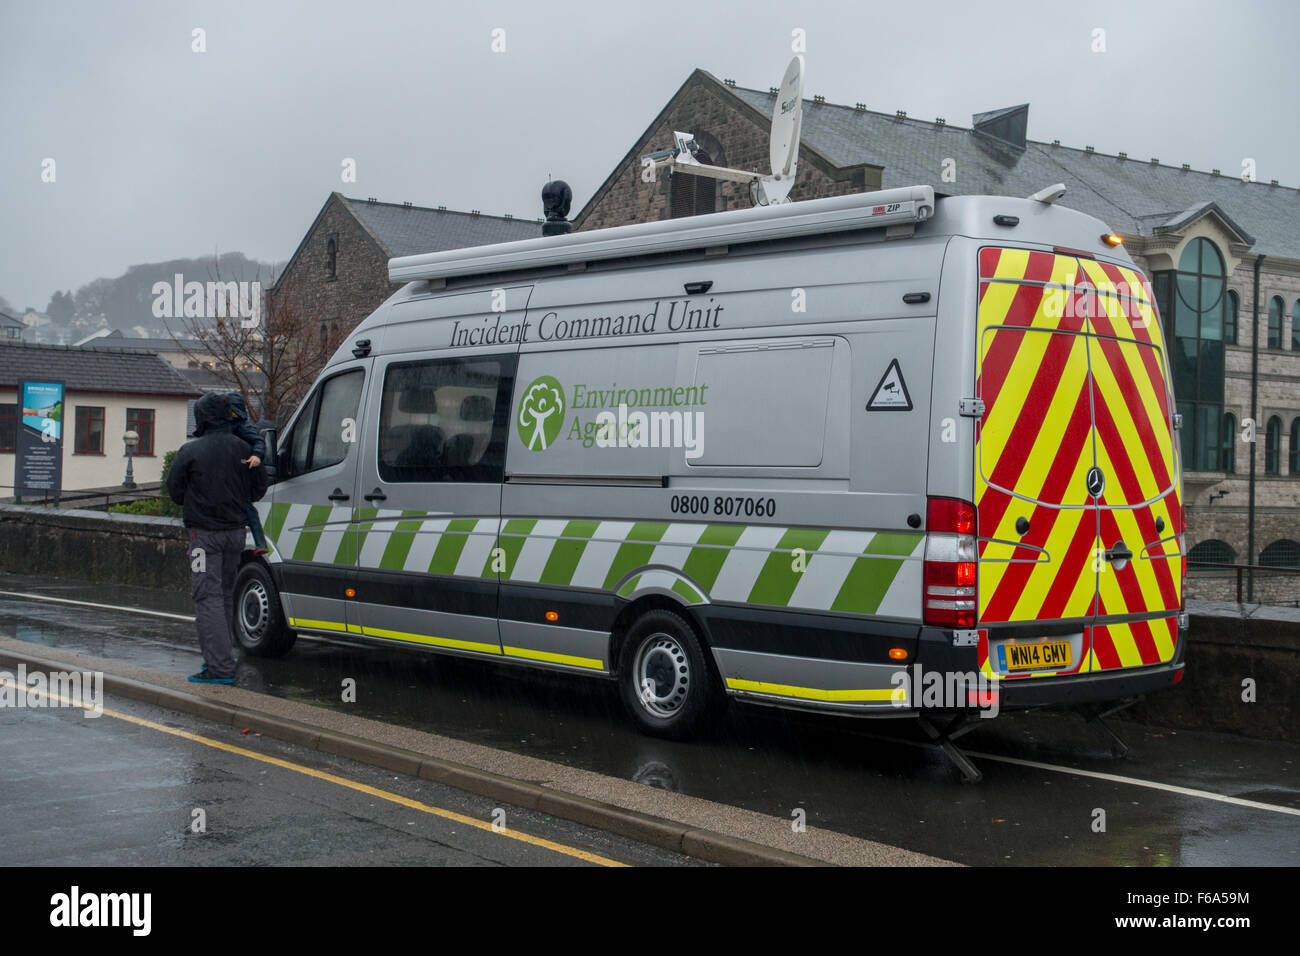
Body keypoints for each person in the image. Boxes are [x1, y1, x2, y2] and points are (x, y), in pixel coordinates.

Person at [167, 392, 268, 684]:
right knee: (224, 594)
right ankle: (223, 660)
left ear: (202, 418)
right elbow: (258, 488)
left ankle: (219, 668)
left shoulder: (191, 451)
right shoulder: (244, 447)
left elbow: (175, 491)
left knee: (205, 596)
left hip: (204, 536)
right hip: (235, 534)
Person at [225, 391, 270, 555]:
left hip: (243, 474)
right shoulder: (227, 428)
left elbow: (258, 441)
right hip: (233, 473)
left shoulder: (244, 428)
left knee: (247, 508)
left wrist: (256, 455)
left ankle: (260, 542)